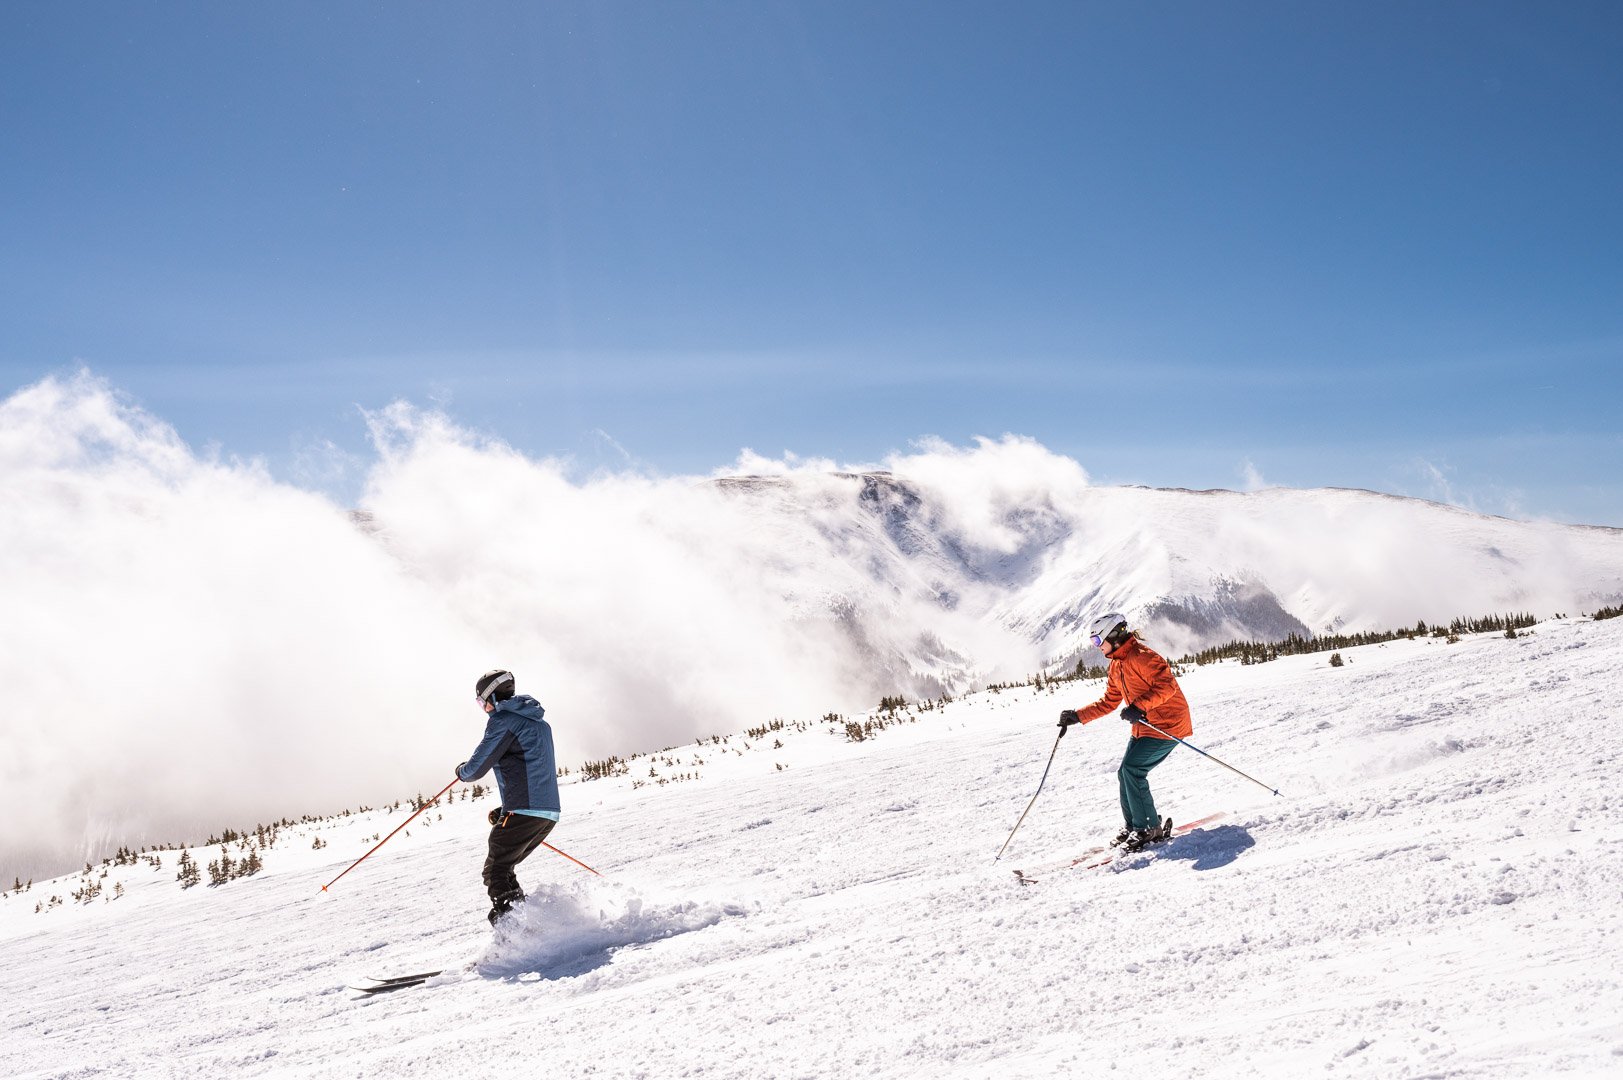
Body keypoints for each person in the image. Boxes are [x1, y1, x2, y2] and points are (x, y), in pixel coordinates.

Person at [1058, 612, 1193, 852]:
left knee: (1133, 770)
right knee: (1124, 773)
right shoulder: (1116, 665)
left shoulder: (1143, 657)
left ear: (1114, 635)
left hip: (1168, 724)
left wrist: (1140, 706)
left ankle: (1148, 828)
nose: (1097, 647)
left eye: (1098, 641)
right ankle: (1134, 826)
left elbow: (1168, 686)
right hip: (1145, 726)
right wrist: (1077, 716)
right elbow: (1109, 701)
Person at [456, 669, 561, 926]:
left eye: (481, 702)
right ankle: (525, 927)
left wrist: (461, 771)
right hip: (547, 813)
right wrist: (506, 809)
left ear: (491, 697)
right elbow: (532, 769)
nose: (483, 708)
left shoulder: (503, 721)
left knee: (496, 870)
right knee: (504, 868)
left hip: (525, 809)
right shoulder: (539, 723)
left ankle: (515, 933)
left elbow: (476, 768)